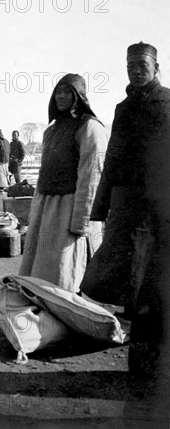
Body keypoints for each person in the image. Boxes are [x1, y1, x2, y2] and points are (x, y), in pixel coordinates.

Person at [77, 43, 170, 424]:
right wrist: (101, 207)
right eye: (130, 65)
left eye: (142, 65)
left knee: (154, 287)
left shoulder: (167, 103)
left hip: (161, 206)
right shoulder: (122, 108)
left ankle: (152, 373)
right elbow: (113, 156)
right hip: (128, 206)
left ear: (157, 66)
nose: (135, 71)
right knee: (128, 282)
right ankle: (140, 369)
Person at [18, 74, 107, 293]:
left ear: (79, 97)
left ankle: (64, 303)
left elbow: (92, 175)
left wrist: (82, 220)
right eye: (58, 91)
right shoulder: (53, 129)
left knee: (64, 264)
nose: (61, 96)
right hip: (47, 205)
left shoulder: (90, 128)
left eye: (68, 92)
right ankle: (42, 297)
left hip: (70, 207)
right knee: (43, 261)